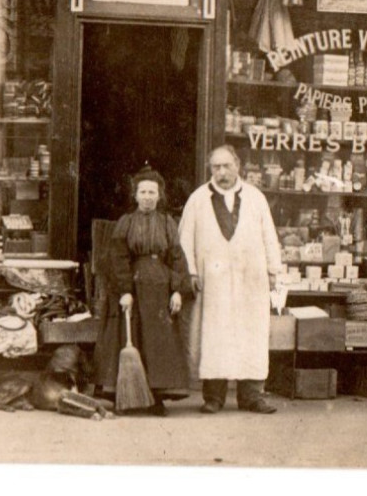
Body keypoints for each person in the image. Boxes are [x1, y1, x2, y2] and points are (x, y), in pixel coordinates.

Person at [178, 145, 282, 414]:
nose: (222, 172)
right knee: (215, 335)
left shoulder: (256, 198)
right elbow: (184, 240)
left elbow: (269, 236)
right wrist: (190, 272)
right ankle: (214, 397)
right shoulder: (198, 199)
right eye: (216, 167)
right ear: (210, 169)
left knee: (251, 335)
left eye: (226, 166)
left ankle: (252, 396)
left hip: (251, 280)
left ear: (238, 165)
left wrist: (273, 270)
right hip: (213, 283)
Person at [93, 167, 192, 415]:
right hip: (133, 287)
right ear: (135, 196)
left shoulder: (168, 223)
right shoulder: (126, 222)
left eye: (152, 192)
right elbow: (117, 257)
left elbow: (177, 258)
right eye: (143, 192)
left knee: (158, 342)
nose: (148, 197)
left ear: (160, 196)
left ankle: (156, 398)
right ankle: (127, 396)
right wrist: (125, 290)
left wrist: (177, 290)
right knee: (130, 337)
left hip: (160, 289)